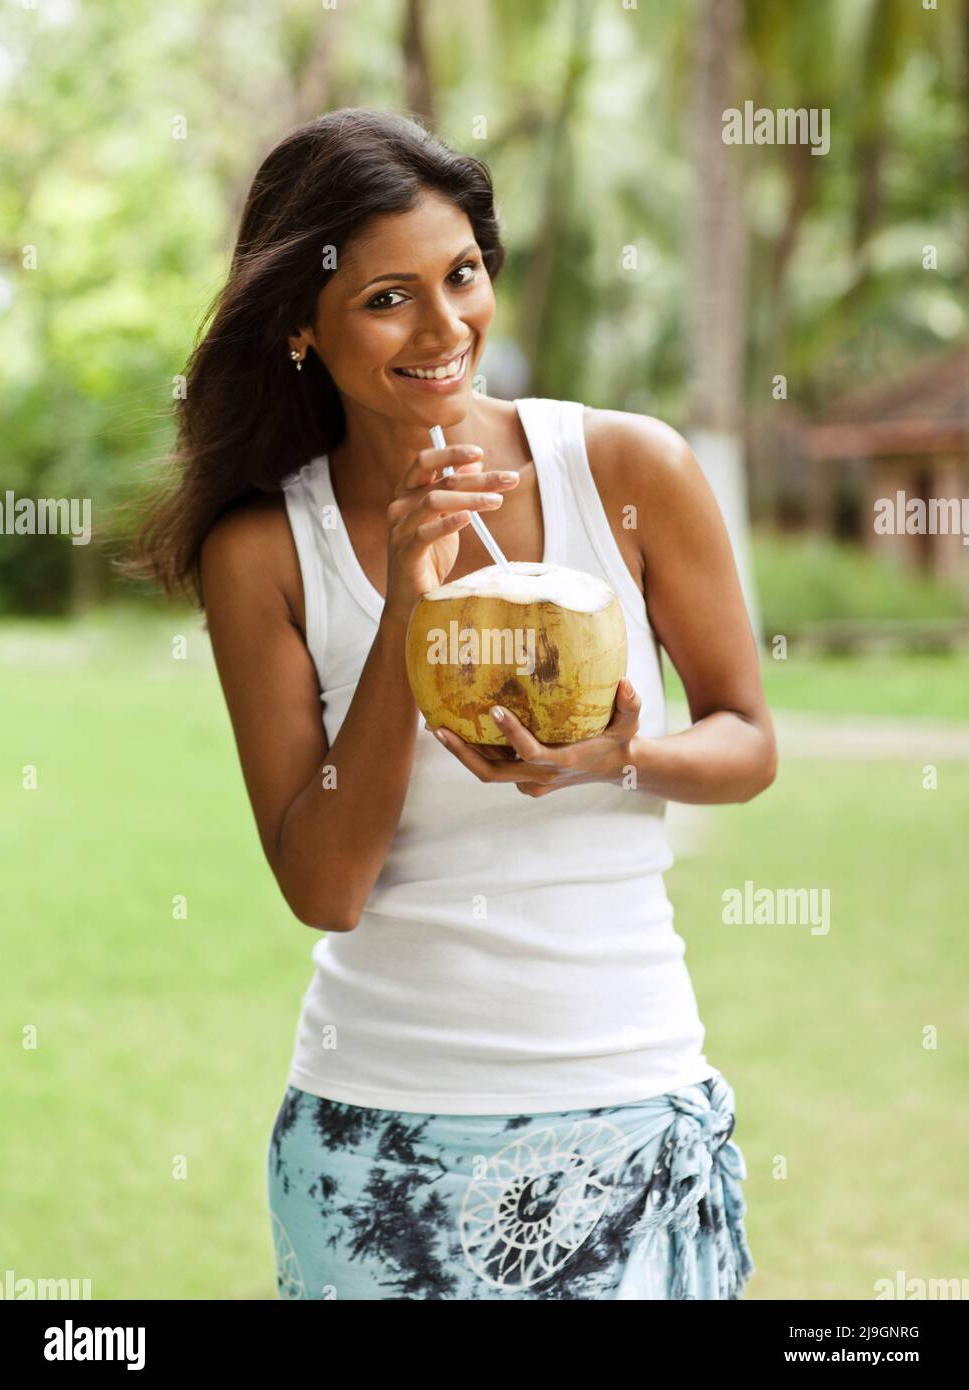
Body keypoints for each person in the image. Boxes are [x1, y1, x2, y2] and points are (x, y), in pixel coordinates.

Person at [127, 108, 777, 1300]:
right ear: (298, 327)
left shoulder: (628, 471)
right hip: (382, 1141)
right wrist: (403, 606)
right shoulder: (266, 549)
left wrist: (616, 761)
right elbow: (324, 886)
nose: (445, 329)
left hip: (627, 1104)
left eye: (463, 275)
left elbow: (747, 740)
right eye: (387, 298)